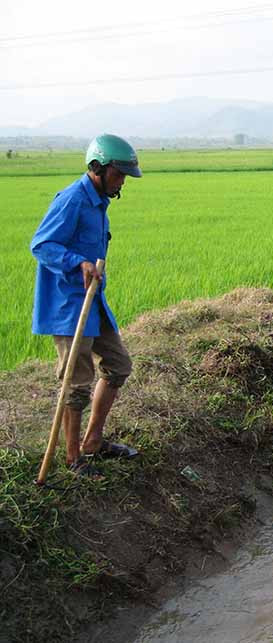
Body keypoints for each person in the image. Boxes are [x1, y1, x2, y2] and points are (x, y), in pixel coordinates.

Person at [30, 134, 142, 478]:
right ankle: (73, 456)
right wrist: (77, 262)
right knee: (76, 383)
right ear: (97, 168)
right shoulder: (72, 200)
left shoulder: (99, 202)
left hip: (94, 303)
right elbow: (42, 243)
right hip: (69, 308)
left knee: (119, 366)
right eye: (118, 174)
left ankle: (93, 441)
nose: (122, 181)